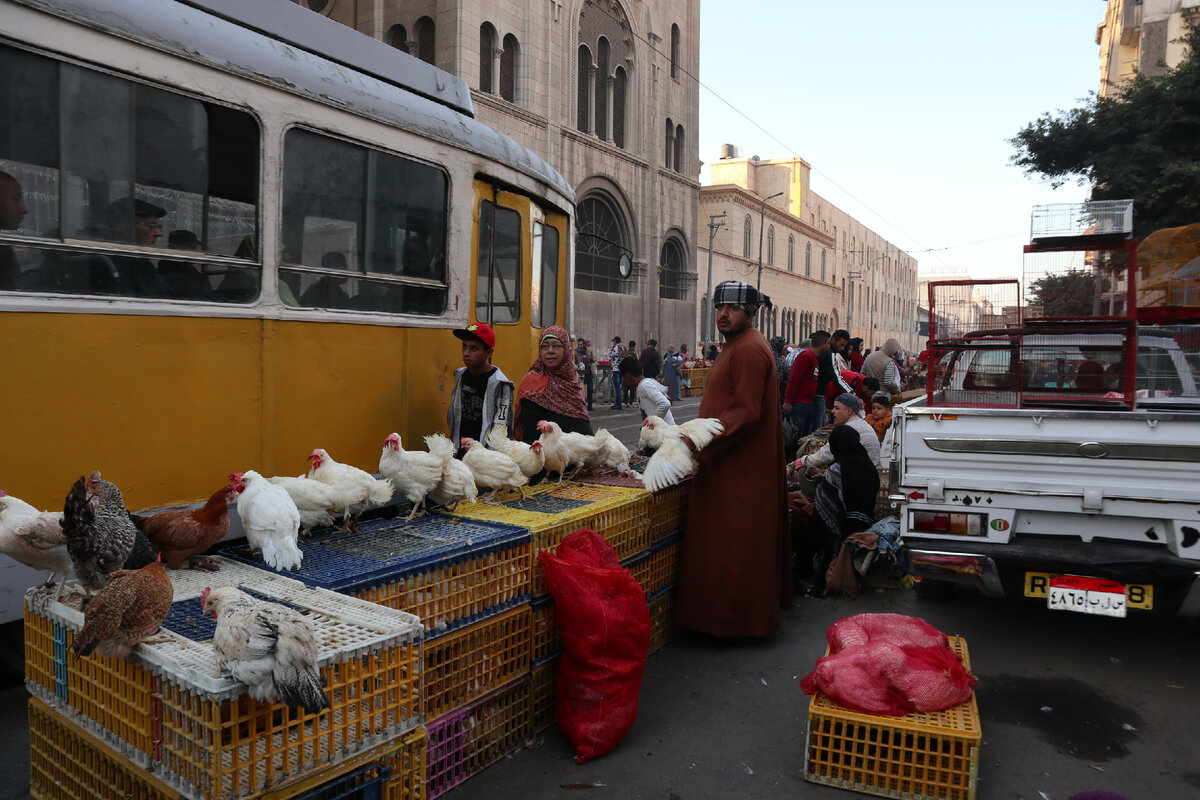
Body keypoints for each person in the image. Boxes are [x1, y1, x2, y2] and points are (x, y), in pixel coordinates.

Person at [676, 280, 789, 638]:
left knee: (731, 545)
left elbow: (744, 412)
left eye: (733, 308)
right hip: (732, 464)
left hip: (738, 468)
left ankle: (728, 626)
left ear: (750, 313)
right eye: (720, 307)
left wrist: (696, 440)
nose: (723, 314)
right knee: (728, 543)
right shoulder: (738, 345)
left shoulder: (748, 350)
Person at [809, 424, 880, 594]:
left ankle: (819, 583)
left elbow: (826, 499)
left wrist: (822, 482)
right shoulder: (869, 467)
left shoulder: (837, 468)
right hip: (867, 521)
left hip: (845, 525)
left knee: (818, 528)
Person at [515, 324, 593, 444]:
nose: (550, 351)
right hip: (546, 456)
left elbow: (582, 426)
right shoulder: (531, 381)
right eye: (545, 347)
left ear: (566, 349)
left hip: (579, 456)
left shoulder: (573, 379)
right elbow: (530, 430)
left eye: (556, 346)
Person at [447, 322, 514, 450]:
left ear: (489, 353)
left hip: (485, 455)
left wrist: (489, 455)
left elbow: (501, 424)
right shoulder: (461, 375)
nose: (466, 353)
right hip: (462, 449)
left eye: (473, 348)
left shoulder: (500, 384)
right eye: (464, 346)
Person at [797, 393, 881, 469]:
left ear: (849, 411)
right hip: (869, 474)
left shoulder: (848, 429)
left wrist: (798, 463)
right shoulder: (860, 423)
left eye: (837, 408)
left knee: (804, 471)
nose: (833, 411)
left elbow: (825, 456)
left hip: (861, 477)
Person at [783, 331, 829, 438]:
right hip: (800, 403)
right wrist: (788, 401)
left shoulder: (814, 357)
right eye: (828, 344)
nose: (829, 347)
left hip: (808, 402)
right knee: (797, 436)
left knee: (805, 436)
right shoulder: (806, 356)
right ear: (822, 344)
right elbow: (793, 379)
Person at [618, 355, 675, 425]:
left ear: (628, 376)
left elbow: (665, 404)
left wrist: (651, 423)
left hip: (665, 433)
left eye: (623, 377)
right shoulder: (647, 382)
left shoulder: (644, 385)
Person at [816, 330, 853, 427]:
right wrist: (852, 393)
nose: (842, 348)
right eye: (841, 345)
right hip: (817, 395)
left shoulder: (828, 353)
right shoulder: (830, 354)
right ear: (832, 340)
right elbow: (837, 378)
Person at [575, 338, 595, 411]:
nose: (579, 346)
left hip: (588, 371)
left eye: (581, 344)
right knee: (580, 390)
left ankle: (590, 406)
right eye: (578, 344)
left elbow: (594, 358)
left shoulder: (589, 350)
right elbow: (574, 361)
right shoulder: (576, 352)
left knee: (590, 388)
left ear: (584, 344)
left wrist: (592, 359)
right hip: (580, 372)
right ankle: (581, 406)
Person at [607, 336, 626, 409]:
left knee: (617, 387)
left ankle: (618, 405)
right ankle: (618, 403)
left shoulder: (615, 348)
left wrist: (611, 350)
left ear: (615, 342)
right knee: (619, 387)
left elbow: (609, 357)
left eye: (613, 342)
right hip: (622, 369)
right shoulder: (623, 348)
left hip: (616, 369)